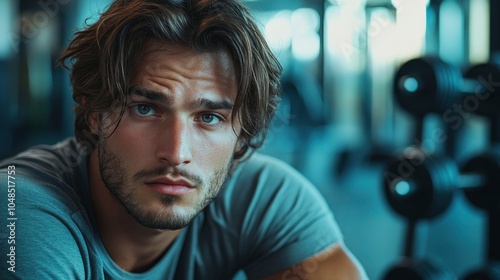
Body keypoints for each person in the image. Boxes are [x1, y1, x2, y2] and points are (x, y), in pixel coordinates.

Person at [0, 0, 367, 279]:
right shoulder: (19, 203)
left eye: (209, 118)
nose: (176, 153)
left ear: (242, 135)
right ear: (94, 112)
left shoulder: (266, 199)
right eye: (145, 109)